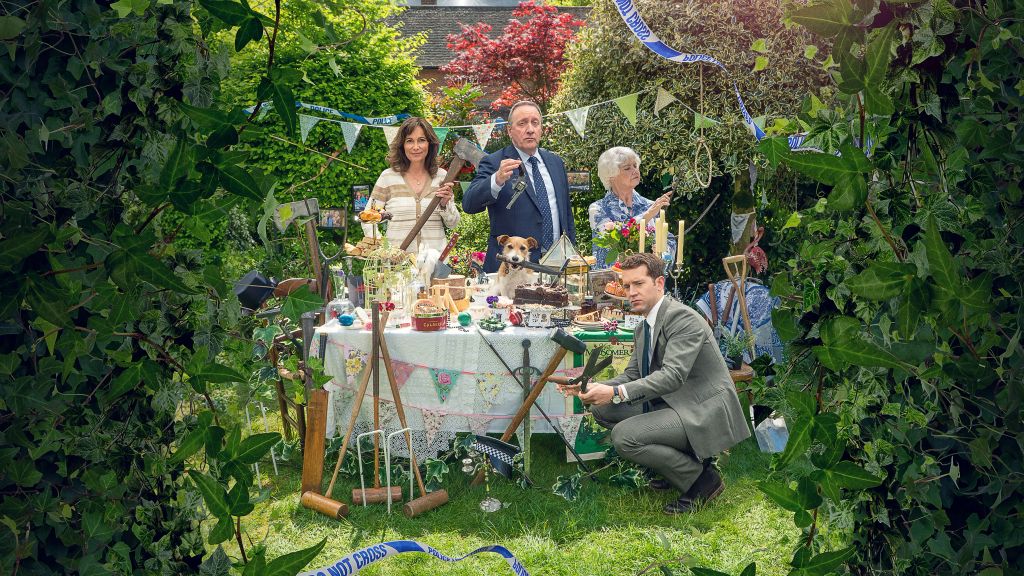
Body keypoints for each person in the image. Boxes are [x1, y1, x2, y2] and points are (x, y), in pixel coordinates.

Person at [559, 253, 750, 515]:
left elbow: (673, 376)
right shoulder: (644, 326)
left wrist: (615, 392)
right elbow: (632, 375)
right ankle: (679, 464)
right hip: (676, 403)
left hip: (702, 409)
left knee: (624, 438)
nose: (631, 292)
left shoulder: (682, 319)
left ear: (659, 283)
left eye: (639, 284)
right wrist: (590, 386)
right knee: (603, 409)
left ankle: (702, 480)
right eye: (626, 286)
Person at [463, 101, 575, 272]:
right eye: (522, 123)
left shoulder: (555, 162)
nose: (530, 129)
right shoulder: (494, 162)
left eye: (535, 123)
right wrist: (497, 180)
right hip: (512, 267)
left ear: (541, 129)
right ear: (510, 131)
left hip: (555, 264)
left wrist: (571, 256)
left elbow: (566, 215)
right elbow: (469, 204)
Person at [363, 117, 459, 254]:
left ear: (430, 144)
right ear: (402, 145)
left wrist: (445, 205)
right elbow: (367, 218)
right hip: (398, 268)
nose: (415, 147)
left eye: (421, 140)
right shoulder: (388, 177)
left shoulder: (442, 177)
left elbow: (453, 223)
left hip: (434, 266)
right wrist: (382, 249)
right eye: (409, 141)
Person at [589, 146, 675, 268]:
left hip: (647, 281)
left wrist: (662, 253)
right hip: (611, 283)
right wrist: (646, 216)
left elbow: (669, 240)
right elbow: (615, 239)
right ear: (611, 176)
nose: (635, 171)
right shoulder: (598, 208)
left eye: (635, 166)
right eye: (627, 168)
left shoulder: (650, 205)